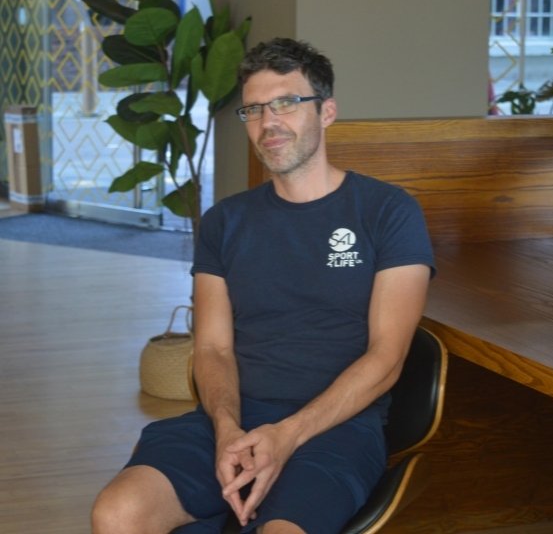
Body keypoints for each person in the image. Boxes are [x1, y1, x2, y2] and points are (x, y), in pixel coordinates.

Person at [91, 38, 435, 534]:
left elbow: (386, 360)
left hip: (336, 428)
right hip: (231, 420)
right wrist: (228, 429)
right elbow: (211, 347)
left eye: (287, 103)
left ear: (328, 111)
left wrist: (287, 435)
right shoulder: (224, 222)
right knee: (116, 513)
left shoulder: (387, 212)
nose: (268, 122)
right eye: (253, 109)